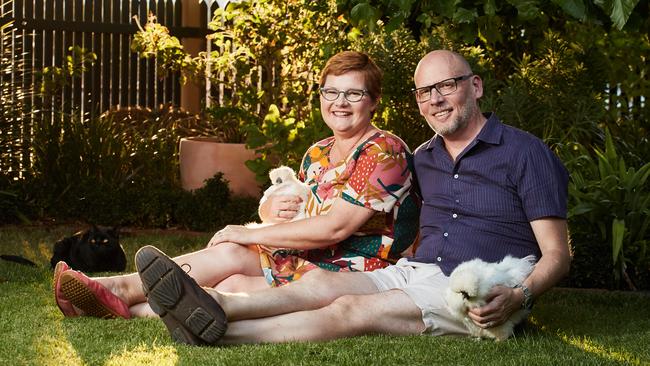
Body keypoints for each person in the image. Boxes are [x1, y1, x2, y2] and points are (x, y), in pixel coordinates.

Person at [134, 49, 571, 345]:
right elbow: (335, 203)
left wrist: (520, 296)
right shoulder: (425, 157)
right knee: (320, 285)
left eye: (448, 86)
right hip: (412, 269)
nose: (436, 99)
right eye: (424, 92)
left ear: (474, 87)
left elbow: (557, 253)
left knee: (348, 311)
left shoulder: (524, 152)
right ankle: (213, 302)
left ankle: (219, 331)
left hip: (474, 287)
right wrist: (270, 208)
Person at [53, 50, 419, 319]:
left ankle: (120, 300)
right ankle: (116, 292)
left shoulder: (385, 151)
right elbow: (303, 215)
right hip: (305, 258)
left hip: (354, 273)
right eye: (331, 92)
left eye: (353, 94)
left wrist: (246, 232)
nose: (340, 103)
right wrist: (272, 211)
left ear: (373, 102)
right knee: (228, 260)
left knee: (231, 286)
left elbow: (335, 226)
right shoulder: (318, 154)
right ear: (321, 96)